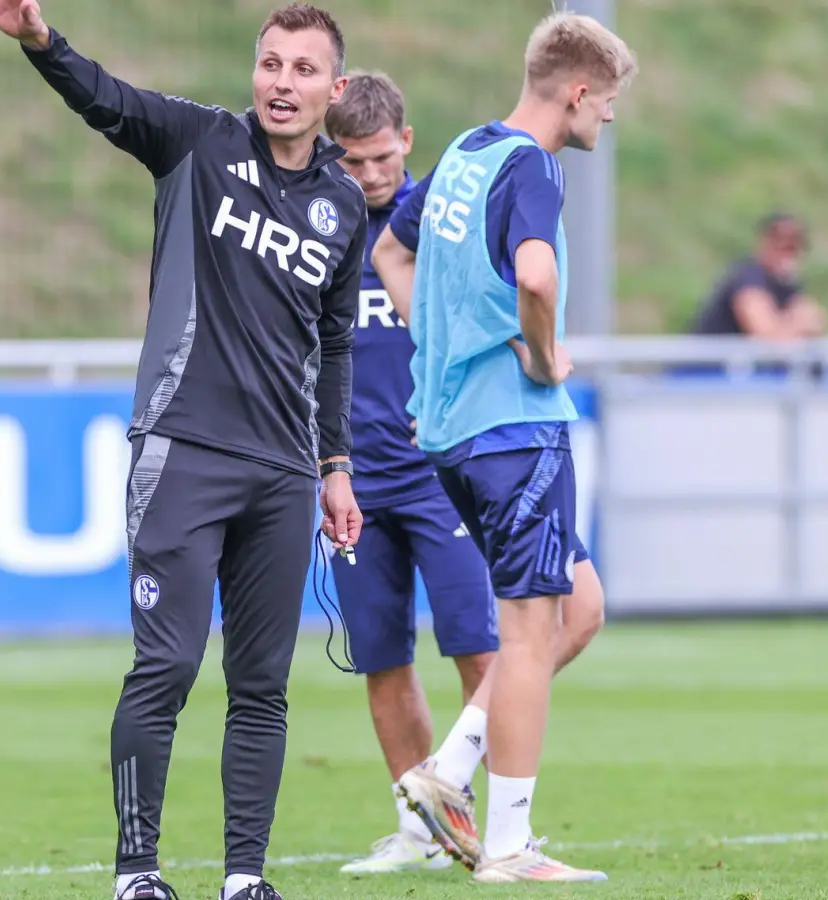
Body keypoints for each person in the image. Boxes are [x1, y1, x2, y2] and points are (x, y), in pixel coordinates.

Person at [0, 2, 368, 899]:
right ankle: (137, 872)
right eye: (271, 64)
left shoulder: (344, 205)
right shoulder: (198, 143)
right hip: (183, 451)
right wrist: (40, 40)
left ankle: (243, 878)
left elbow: (335, 343)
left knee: (261, 686)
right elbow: (103, 99)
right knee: (169, 667)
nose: (282, 82)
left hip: (283, 472)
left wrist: (335, 467)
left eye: (304, 70)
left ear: (333, 91)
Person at [369, 9, 636, 884]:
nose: (609, 120)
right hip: (518, 430)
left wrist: (437, 351)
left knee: (580, 606)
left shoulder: (463, 152)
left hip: (453, 436)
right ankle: (509, 847)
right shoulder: (533, 168)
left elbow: (389, 254)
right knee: (530, 634)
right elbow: (534, 274)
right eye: (610, 104)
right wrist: (543, 348)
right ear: (580, 91)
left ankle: (445, 774)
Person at [320, 72, 498, 876]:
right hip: (354, 484)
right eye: (352, 161)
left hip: (439, 475)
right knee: (381, 658)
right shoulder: (316, 227)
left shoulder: (442, 224)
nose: (368, 176)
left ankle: (505, 823)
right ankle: (418, 830)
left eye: (381, 158)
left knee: (480, 650)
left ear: (408, 143)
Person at [688, 211, 827, 342]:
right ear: (764, 242)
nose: (787, 253)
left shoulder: (787, 284)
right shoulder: (748, 277)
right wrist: (798, 325)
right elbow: (767, 339)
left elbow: (813, 322)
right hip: (708, 365)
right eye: (780, 243)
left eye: (793, 246)